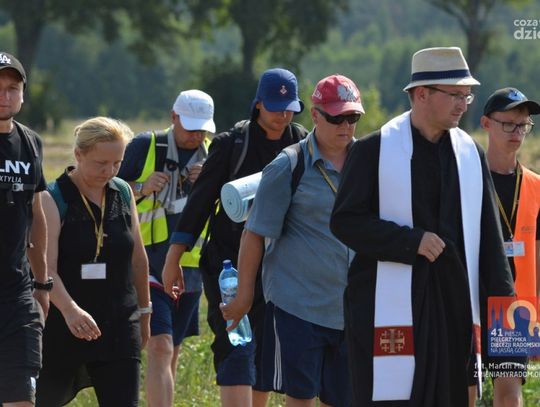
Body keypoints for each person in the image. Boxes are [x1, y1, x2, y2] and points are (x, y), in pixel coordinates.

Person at [330, 47, 517, 406]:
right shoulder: (372, 151)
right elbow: (345, 221)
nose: (463, 105)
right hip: (383, 312)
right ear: (421, 94)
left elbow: (492, 251)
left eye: (467, 96)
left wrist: (511, 346)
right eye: (455, 95)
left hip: (454, 311)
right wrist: (410, 241)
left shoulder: (470, 155)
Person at [162, 68, 308, 407]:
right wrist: (174, 258)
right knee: (235, 345)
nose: (283, 116)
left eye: (289, 108)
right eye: (275, 108)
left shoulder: (300, 143)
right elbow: (199, 204)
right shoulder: (232, 144)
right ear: (258, 104)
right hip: (228, 265)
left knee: (265, 351)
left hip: (279, 266)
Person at [221, 74, 362, 407]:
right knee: (301, 398)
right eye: (336, 118)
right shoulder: (287, 166)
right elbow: (254, 234)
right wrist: (244, 296)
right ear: (315, 115)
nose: (345, 126)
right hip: (298, 307)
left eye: (353, 117)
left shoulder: (368, 162)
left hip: (351, 309)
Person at [35, 117, 150, 406]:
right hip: (65, 324)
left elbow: (138, 259)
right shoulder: (52, 198)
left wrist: (145, 312)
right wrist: (70, 310)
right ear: (78, 154)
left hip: (120, 324)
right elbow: (46, 269)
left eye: (117, 163)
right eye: (101, 163)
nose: (109, 171)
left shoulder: (123, 192)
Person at [117, 89, 215, 407]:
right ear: (173, 117)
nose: (197, 135)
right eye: (191, 127)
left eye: (202, 129)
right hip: (147, 264)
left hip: (191, 268)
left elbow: (231, 206)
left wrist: (211, 184)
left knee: (172, 350)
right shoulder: (145, 146)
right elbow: (105, 187)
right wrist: (141, 187)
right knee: (160, 346)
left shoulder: (214, 155)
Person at [474, 87, 540, 407]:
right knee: (464, 391)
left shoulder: (535, 185)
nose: (517, 132)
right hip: (469, 300)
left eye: (523, 125)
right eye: (508, 124)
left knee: (510, 396)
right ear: (486, 123)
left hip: (515, 307)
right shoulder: (467, 178)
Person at [0, 52, 48, 407]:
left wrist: (43, 283)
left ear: (22, 93)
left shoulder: (31, 143)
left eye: (12, 88)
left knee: (22, 397)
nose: (4, 96)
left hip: (17, 296)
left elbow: (37, 212)